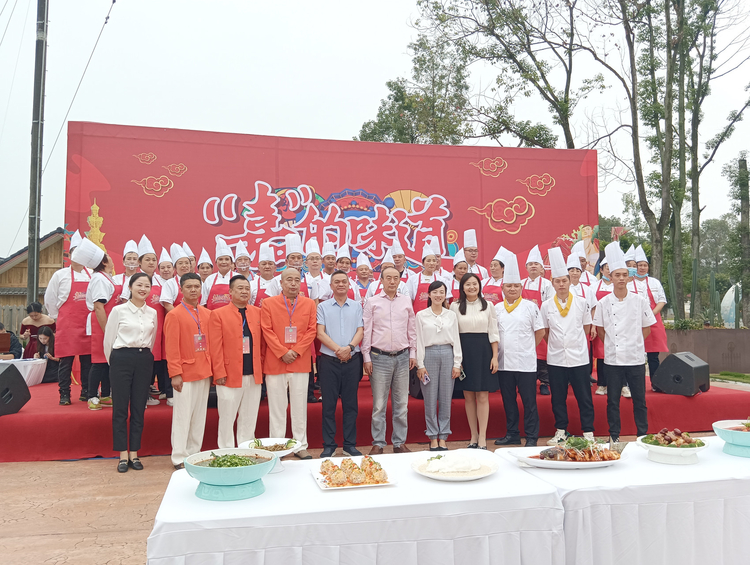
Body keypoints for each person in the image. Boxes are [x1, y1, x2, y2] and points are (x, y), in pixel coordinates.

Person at [593, 242, 656, 443]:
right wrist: (612, 344)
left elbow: (646, 328)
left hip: (636, 359)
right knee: (612, 401)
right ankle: (614, 436)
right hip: (613, 360)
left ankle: (642, 435)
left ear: (629, 277)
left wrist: (634, 342)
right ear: (609, 278)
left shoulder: (640, 301)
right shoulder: (603, 303)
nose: (620, 278)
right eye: (616, 275)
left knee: (640, 400)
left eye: (623, 275)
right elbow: (601, 330)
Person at [260, 268, 318, 460]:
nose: (293, 284)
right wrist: (282, 352)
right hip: (276, 362)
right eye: (289, 280)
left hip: (300, 361)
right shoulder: (268, 303)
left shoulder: (309, 304)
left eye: (296, 280)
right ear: (281, 283)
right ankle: (277, 446)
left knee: (300, 406)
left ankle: (300, 445)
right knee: (277, 407)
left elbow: (311, 331)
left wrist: (296, 351)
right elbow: (266, 330)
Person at [541, 248, 596, 446]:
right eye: (558, 281)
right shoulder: (546, 305)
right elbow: (545, 332)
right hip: (556, 358)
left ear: (569, 281)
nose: (562, 284)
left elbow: (586, 327)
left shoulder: (582, 303)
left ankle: (588, 431)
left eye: (565, 280)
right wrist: (557, 345)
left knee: (584, 396)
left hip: (579, 357)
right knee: (558, 397)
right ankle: (561, 430)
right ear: (553, 283)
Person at [103, 272, 157, 472]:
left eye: (147, 286)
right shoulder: (118, 310)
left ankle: (134, 453)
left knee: (138, 407)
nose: (143, 289)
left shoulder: (152, 313)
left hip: (143, 359)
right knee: (120, 408)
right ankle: (122, 456)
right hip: (121, 358)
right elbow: (108, 340)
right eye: (139, 285)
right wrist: (115, 362)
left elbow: (151, 341)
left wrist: (143, 357)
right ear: (131, 287)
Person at [362, 266, 417, 454]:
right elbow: (367, 330)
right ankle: (378, 442)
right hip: (379, 358)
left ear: (400, 280)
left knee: (402, 404)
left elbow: (412, 329)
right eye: (388, 278)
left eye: (396, 278)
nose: (392, 281)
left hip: (402, 357)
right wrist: (366, 356)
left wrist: (413, 353)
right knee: (379, 404)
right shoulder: (372, 302)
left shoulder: (406, 302)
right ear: (381, 281)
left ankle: (399, 442)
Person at [494, 253, 544, 447]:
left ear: (521, 288)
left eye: (516, 286)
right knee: (509, 401)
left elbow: (539, 332)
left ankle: (532, 436)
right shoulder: (496, 308)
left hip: (526, 363)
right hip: (504, 362)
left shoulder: (530, 307)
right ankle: (512, 433)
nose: (512, 289)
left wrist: (527, 347)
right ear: (503, 288)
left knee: (529, 402)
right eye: (509, 286)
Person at [209, 275, 264, 450]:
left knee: (249, 417)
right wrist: (219, 373)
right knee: (227, 416)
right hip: (229, 374)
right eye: (239, 288)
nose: (244, 291)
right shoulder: (218, 314)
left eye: (247, 288)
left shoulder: (257, 312)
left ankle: (246, 449)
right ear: (230, 292)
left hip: (253, 373)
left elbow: (262, 344)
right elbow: (215, 347)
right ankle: (226, 451)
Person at [165, 273, 213, 470]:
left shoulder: (207, 313)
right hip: (185, 373)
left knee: (199, 416)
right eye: (189, 287)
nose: (193, 290)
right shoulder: (174, 314)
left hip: (204, 371)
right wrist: (175, 373)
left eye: (196, 286)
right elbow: (171, 347)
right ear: (181, 290)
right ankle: (179, 456)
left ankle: (194, 452)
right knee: (183, 416)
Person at [316, 271, 364, 458]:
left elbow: (361, 330)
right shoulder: (323, 307)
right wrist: (338, 349)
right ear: (331, 286)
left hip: (352, 360)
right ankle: (329, 445)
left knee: (351, 404)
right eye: (337, 282)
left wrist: (350, 348)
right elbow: (320, 332)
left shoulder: (357, 306)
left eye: (344, 281)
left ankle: (349, 445)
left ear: (349, 285)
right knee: (328, 405)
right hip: (329, 361)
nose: (341, 284)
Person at [450, 273, 499, 449]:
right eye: (468, 284)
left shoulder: (488, 306)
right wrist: (457, 359)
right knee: (468, 395)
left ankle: (483, 438)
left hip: (484, 352)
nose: (472, 287)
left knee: (483, 395)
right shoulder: (455, 307)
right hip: (464, 353)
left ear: (479, 286)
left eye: (475, 284)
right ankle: (473, 436)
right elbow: (453, 334)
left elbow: (493, 332)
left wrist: (495, 356)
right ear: (462, 287)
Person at [44, 230, 91, 405]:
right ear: (70, 255)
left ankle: (86, 390)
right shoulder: (60, 275)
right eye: (74, 253)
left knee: (88, 361)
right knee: (66, 361)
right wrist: (59, 318)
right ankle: (64, 393)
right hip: (67, 324)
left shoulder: (92, 274)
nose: (78, 256)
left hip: (87, 324)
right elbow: (50, 299)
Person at [416, 280, 462, 451]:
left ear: (445, 295)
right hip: (429, 355)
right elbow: (419, 340)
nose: (438, 295)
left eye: (441, 292)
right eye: (434, 292)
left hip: (448, 355)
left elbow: (456, 340)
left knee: (445, 398)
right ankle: (432, 435)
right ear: (429, 294)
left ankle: (443, 435)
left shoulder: (451, 315)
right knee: (429, 398)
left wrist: (457, 363)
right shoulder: (421, 315)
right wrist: (420, 364)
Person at [130, 235, 172, 407]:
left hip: (159, 325)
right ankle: (141, 395)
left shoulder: (162, 281)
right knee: (142, 361)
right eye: (147, 259)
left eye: (153, 260)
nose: (151, 262)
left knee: (155, 361)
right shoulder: (135, 280)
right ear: (140, 262)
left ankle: (151, 389)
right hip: (141, 325)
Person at [80, 239, 117, 411]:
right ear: (104, 262)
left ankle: (106, 395)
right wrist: (107, 330)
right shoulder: (99, 279)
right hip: (101, 323)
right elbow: (99, 306)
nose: (111, 258)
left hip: (108, 321)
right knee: (99, 361)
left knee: (108, 360)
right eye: (108, 256)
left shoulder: (105, 277)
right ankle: (92, 395)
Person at [630, 245, 669, 385]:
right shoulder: (629, 283)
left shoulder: (654, 282)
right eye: (639, 265)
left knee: (653, 355)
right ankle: (635, 384)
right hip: (633, 321)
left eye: (644, 265)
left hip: (653, 320)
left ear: (648, 267)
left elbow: (662, 301)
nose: (642, 268)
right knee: (636, 355)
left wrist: (650, 315)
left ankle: (656, 383)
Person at [522, 245, 553, 395]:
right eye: (530, 264)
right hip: (524, 325)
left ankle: (545, 383)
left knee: (543, 354)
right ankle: (529, 381)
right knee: (527, 352)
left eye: (536, 264)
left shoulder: (548, 285)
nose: (533, 267)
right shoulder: (520, 284)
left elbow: (549, 305)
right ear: (526, 267)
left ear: (542, 268)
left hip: (541, 323)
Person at [266, 234, 317, 299]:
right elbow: (271, 303)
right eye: (293, 258)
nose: (296, 260)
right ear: (286, 261)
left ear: (302, 261)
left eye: (299, 258)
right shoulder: (276, 281)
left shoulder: (311, 281)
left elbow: (315, 303)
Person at [593, 258, 613, 395]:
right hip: (600, 323)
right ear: (601, 270)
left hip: (616, 323)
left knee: (617, 354)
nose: (609, 270)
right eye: (607, 267)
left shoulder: (619, 286)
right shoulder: (594, 286)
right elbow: (592, 307)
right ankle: (602, 384)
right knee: (601, 355)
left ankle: (620, 384)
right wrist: (594, 326)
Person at [406, 242, 446, 313]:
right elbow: (408, 301)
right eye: (428, 261)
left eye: (434, 261)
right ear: (423, 263)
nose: (431, 263)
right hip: (416, 316)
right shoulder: (413, 279)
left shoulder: (441, 280)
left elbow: (444, 302)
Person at [201, 238, 237, 310]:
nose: (223, 262)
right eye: (220, 259)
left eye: (227, 259)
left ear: (231, 262)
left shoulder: (238, 278)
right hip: (213, 318)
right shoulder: (209, 279)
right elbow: (203, 304)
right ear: (216, 262)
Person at [160, 243, 193, 312]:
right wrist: (180, 317)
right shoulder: (170, 283)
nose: (184, 266)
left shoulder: (198, 281)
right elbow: (167, 305)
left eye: (187, 263)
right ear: (175, 267)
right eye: (180, 263)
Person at [112, 239, 140, 304]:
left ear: (138, 262)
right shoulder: (115, 279)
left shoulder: (142, 278)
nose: (132, 261)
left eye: (134, 259)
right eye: (129, 259)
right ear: (123, 261)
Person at [250, 242, 276, 307]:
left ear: (275, 268)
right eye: (264, 264)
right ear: (258, 267)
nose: (267, 267)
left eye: (270, 264)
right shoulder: (252, 285)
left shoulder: (280, 284)